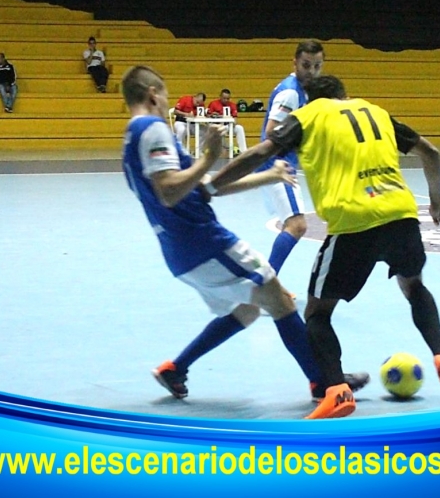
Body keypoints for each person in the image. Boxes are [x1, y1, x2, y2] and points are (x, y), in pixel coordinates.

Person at [205, 75, 440, 419]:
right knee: (414, 287)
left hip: (354, 223)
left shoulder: (308, 116)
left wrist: (213, 185)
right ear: (344, 95)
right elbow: (430, 152)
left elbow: (261, 151)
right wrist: (437, 198)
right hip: (400, 214)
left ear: (310, 99)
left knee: (317, 313)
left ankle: (337, 391)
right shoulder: (375, 111)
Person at [120, 66, 369, 406]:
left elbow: (205, 189)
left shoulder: (130, 142)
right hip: (204, 241)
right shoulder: (153, 128)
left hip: (180, 251)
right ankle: (324, 383)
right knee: (279, 299)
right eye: (163, 96)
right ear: (152, 95)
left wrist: (268, 177)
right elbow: (169, 192)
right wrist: (208, 156)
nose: (166, 104)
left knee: (248, 310)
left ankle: (175, 369)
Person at [256, 40, 325, 277]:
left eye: (317, 66)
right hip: (278, 166)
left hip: (281, 165)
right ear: (294, 62)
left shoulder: (303, 91)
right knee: (297, 225)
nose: (312, 71)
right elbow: (272, 133)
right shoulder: (290, 93)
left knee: (291, 224)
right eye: (306, 65)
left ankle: (266, 281)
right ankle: (265, 284)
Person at [207, 88, 248, 155]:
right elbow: (208, 116)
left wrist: (231, 120)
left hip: (228, 126)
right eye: (224, 98)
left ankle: (243, 151)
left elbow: (235, 120)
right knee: (215, 129)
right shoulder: (213, 104)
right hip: (217, 125)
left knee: (239, 128)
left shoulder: (232, 105)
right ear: (220, 96)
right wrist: (213, 115)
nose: (226, 100)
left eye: (228, 98)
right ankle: (218, 151)